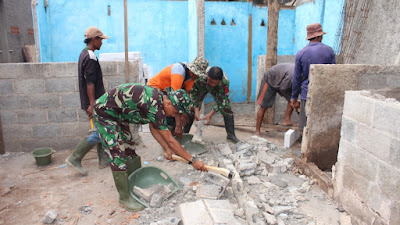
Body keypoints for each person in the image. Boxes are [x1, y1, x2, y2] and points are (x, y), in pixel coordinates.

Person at [93, 83, 207, 211]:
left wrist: (167, 149)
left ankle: (134, 183)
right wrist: (192, 160)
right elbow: (170, 139)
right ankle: (124, 198)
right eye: (174, 113)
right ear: (169, 103)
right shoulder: (155, 105)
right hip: (105, 112)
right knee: (117, 154)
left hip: (119, 115)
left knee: (130, 149)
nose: (172, 116)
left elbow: (153, 126)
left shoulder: (160, 102)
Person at [65, 27, 110, 175]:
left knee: (100, 129)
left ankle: (103, 160)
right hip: (95, 101)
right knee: (99, 132)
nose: (102, 43)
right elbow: (90, 82)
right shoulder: (90, 57)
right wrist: (92, 104)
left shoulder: (84, 54)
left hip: (93, 100)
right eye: (100, 39)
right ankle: (75, 158)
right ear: (93, 40)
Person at [147, 56, 208, 139]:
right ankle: (170, 140)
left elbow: (188, 95)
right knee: (170, 113)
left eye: (199, 75)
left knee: (190, 111)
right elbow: (175, 100)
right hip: (155, 90)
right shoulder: (178, 71)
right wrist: (178, 124)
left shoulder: (192, 77)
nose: (197, 77)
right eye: (196, 74)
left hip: (169, 92)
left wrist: (186, 113)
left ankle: (183, 136)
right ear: (191, 70)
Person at [290, 23, 336, 130]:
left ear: (309, 37)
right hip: (323, 93)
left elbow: (297, 78)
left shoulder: (301, 53)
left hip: (307, 93)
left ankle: (305, 145)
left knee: (306, 125)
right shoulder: (329, 50)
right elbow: (333, 73)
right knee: (321, 124)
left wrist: (293, 97)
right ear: (320, 36)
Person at [189, 67, 240, 143]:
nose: (212, 85)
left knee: (226, 107)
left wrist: (210, 115)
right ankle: (185, 133)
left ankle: (231, 135)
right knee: (191, 108)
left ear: (219, 80)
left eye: (215, 83)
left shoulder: (224, 83)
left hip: (218, 89)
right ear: (207, 76)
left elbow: (222, 101)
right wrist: (196, 110)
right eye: (211, 81)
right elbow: (195, 95)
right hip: (203, 86)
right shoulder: (200, 78)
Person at [255, 63, 300, 136]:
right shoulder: (292, 75)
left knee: (292, 98)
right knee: (264, 106)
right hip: (270, 79)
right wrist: (291, 100)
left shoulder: (301, 75)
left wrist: (293, 100)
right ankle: (257, 131)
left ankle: (287, 120)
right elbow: (283, 88)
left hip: (281, 79)